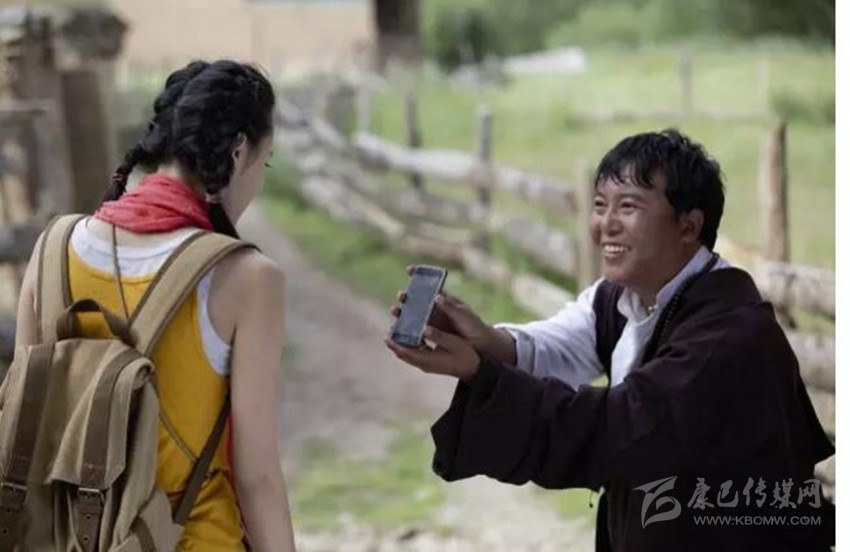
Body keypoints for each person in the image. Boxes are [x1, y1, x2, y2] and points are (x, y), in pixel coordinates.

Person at [386, 129, 834, 551]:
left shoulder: (727, 335)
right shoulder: (628, 297)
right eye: (600, 205)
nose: (606, 224)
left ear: (688, 226)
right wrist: (485, 340)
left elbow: (620, 427)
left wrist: (480, 372)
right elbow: (558, 343)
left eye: (629, 207)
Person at [13, 60, 296, 552]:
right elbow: (257, 478)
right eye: (263, 164)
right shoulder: (248, 279)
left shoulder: (52, 250)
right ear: (238, 151)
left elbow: (26, 422)